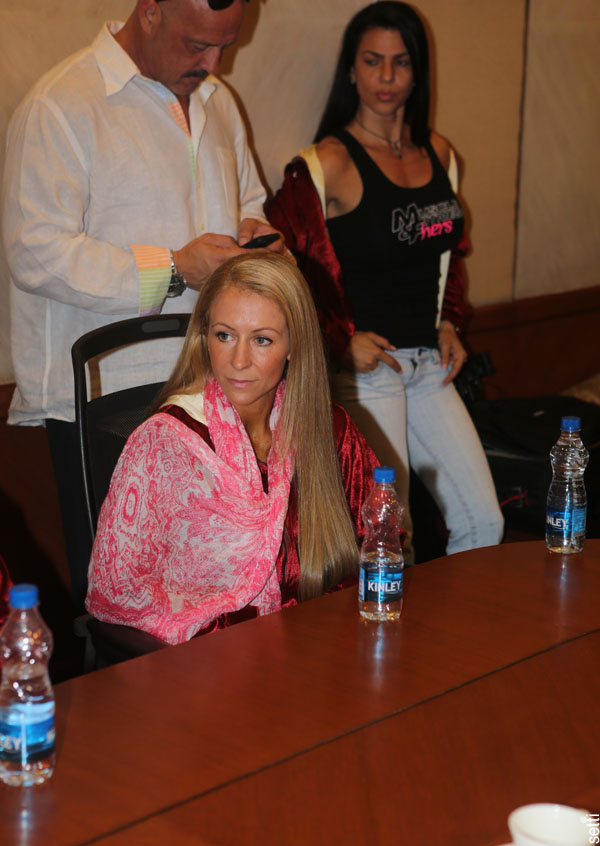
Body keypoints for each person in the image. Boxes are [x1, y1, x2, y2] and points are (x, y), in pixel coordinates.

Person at [2, 0, 283, 606]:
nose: (213, 64)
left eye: (225, 46)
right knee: (127, 602)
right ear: (150, 12)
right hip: (106, 393)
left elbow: (249, 201)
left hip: (211, 383)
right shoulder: (62, 105)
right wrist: (174, 269)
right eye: (197, 45)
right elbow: (34, 252)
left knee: (211, 592)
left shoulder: (218, 101)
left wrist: (256, 234)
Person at [267, 1, 503, 561]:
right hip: (367, 374)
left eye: (401, 62)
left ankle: (462, 624)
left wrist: (451, 321)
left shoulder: (439, 153)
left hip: (429, 367)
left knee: (483, 521)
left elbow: (448, 253)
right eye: (372, 61)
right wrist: (337, 341)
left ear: (418, 72)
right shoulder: (325, 164)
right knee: (389, 538)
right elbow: (279, 269)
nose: (387, 77)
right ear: (351, 70)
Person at [86, 253, 379, 643]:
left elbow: (380, 541)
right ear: (204, 336)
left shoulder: (329, 429)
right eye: (224, 335)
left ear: (294, 345)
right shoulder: (166, 445)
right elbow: (118, 590)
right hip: (213, 661)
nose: (239, 361)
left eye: (262, 340)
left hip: (327, 643)